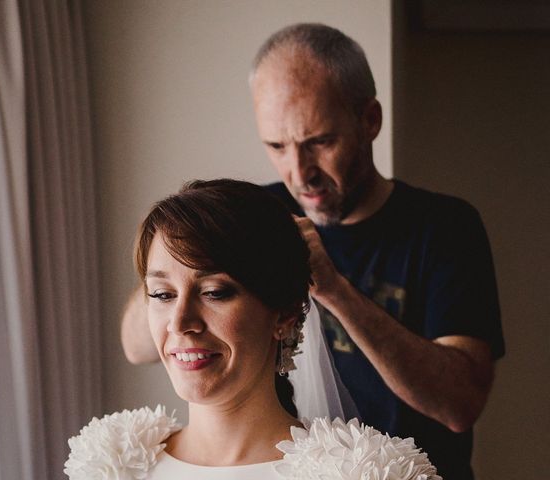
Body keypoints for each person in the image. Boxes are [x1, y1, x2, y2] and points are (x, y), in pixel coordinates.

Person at [121, 24, 505, 479]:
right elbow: (137, 344)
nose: (298, 174)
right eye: (277, 146)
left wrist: (335, 290)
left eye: (319, 143)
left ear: (370, 120)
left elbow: (460, 404)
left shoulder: (444, 227)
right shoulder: (257, 217)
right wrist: (184, 268)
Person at [66, 179, 440, 479]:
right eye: (163, 294)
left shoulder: (366, 473)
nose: (180, 322)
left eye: (214, 292)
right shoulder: (112, 465)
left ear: (285, 315)